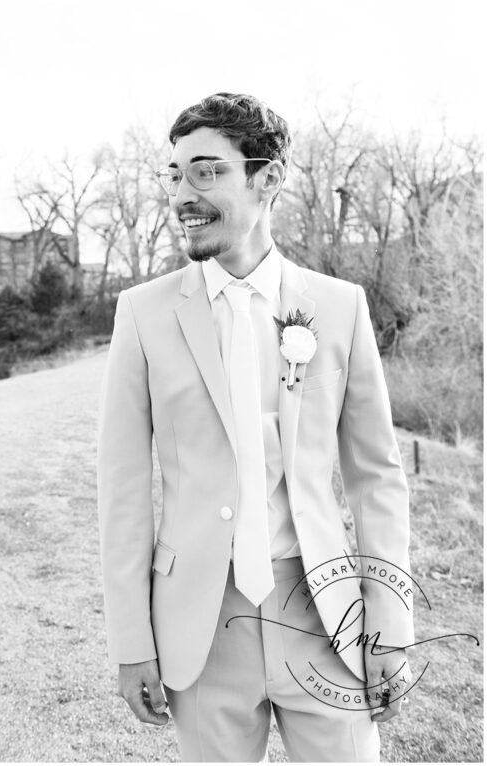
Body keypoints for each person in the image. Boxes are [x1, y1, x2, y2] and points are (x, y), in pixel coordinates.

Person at [97, 93, 413, 761]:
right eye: (175, 174)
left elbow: (377, 479)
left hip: (325, 620)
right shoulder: (143, 315)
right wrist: (132, 643)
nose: (184, 193)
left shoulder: (340, 307)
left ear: (267, 177)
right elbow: (122, 491)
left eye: (207, 171)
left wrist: (390, 623)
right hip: (200, 629)